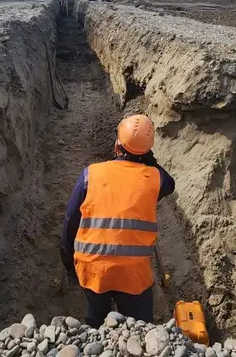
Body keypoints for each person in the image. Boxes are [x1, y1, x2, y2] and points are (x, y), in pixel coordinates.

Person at [59, 114, 176, 328]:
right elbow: (170, 183)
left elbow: (71, 220)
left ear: (117, 146)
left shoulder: (90, 174)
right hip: (133, 275)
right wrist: (151, 161)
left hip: (93, 269)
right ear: (148, 150)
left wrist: (67, 258)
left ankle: (95, 332)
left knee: (96, 320)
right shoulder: (155, 179)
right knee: (140, 327)